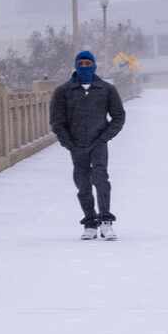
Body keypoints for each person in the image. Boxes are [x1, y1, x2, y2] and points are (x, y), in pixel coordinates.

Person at [48, 48, 126, 238]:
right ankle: (90, 223)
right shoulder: (63, 91)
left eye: (88, 64)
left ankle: (106, 222)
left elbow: (118, 116)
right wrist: (68, 143)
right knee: (83, 184)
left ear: (94, 65)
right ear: (75, 66)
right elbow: (57, 122)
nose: (85, 67)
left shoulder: (106, 89)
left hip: (99, 143)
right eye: (81, 64)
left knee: (101, 180)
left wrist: (104, 137)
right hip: (76, 146)